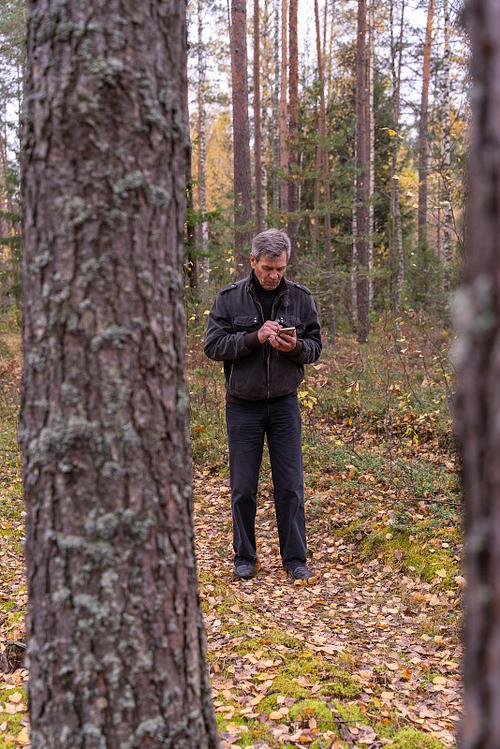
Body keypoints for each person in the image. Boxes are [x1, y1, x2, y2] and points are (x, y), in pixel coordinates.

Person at [204, 229, 322, 580]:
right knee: (243, 486)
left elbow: (315, 346)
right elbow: (213, 347)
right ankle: (244, 556)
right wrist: (255, 338)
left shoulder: (301, 298)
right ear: (252, 261)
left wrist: (295, 349)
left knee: (290, 485)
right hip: (243, 405)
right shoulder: (229, 299)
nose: (274, 275)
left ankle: (295, 559)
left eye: (280, 269)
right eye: (268, 268)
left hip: (285, 404)